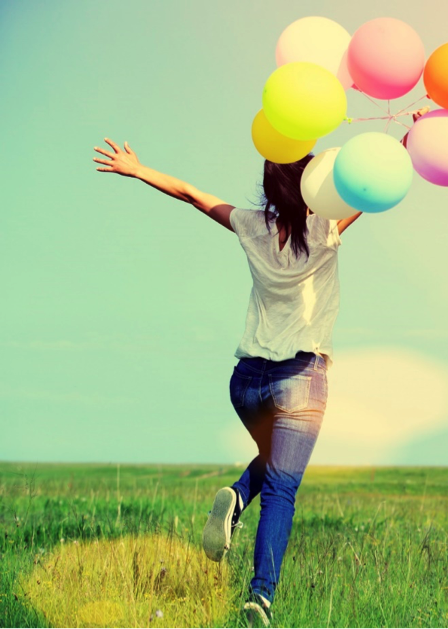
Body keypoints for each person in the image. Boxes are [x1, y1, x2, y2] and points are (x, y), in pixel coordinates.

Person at [91, 110, 424, 626]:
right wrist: (410, 137)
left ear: (269, 185)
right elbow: (370, 184)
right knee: (283, 487)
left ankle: (238, 494)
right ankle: (259, 596)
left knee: (272, 460)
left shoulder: (250, 225)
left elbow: (188, 192)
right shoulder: (327, 227)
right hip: (300, 378)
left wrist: (137, 168)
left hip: (246, 382)